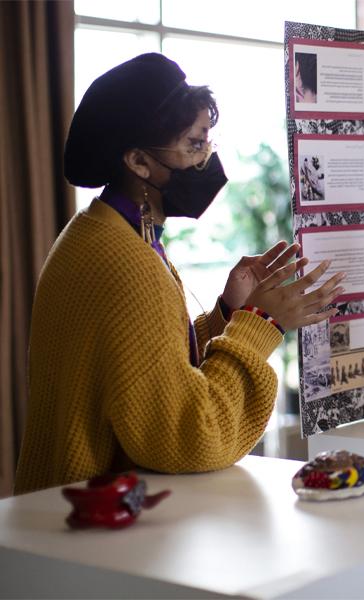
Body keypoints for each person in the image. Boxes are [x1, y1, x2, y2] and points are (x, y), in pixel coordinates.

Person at [14, 53, 344, 494]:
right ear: (137, 161)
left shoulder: (103, 232)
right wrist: (262, 324)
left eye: (207, 141)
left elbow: (146, 374)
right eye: (192, 144)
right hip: (93, 531)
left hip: (67, 517)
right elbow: (189, 436)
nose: (206, 158)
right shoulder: (125, 262)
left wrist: (228, 312)